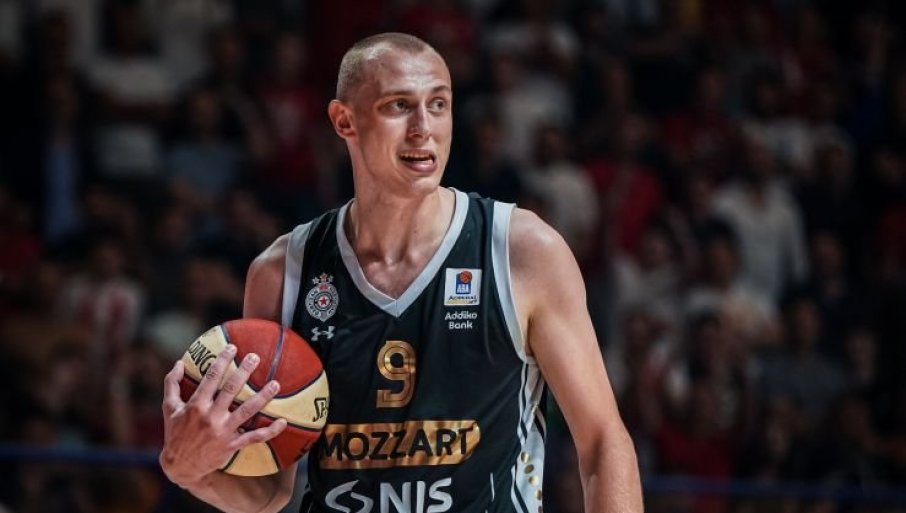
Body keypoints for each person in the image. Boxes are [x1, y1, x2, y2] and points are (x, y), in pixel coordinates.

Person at [159, 32, 642, 513]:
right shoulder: (283, 271)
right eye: (399, 106)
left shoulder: (522, 251)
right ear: (344, 120)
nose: (423, 128)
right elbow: (269, 490)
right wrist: (192, 469)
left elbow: (603, 441)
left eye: (439, 104)